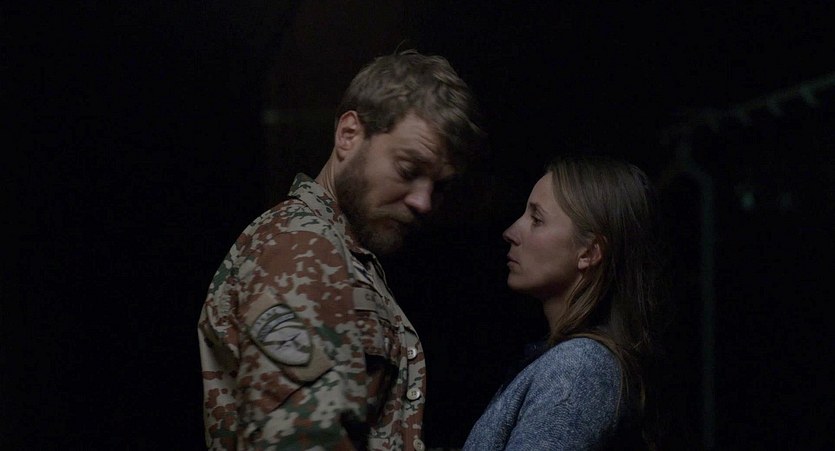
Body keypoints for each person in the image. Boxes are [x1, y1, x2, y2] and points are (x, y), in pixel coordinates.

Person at [198, 50, 483, 450]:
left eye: (440, 186)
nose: (424, 202)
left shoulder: (342, 250)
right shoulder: (302, 247)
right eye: (408, 169)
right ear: (349, 134)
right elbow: (298, 440)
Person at [463, 155, 666, 450]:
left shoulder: (577, 368)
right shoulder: (570, 360)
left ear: (589, 253)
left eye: (537, 220)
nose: (511, 233)